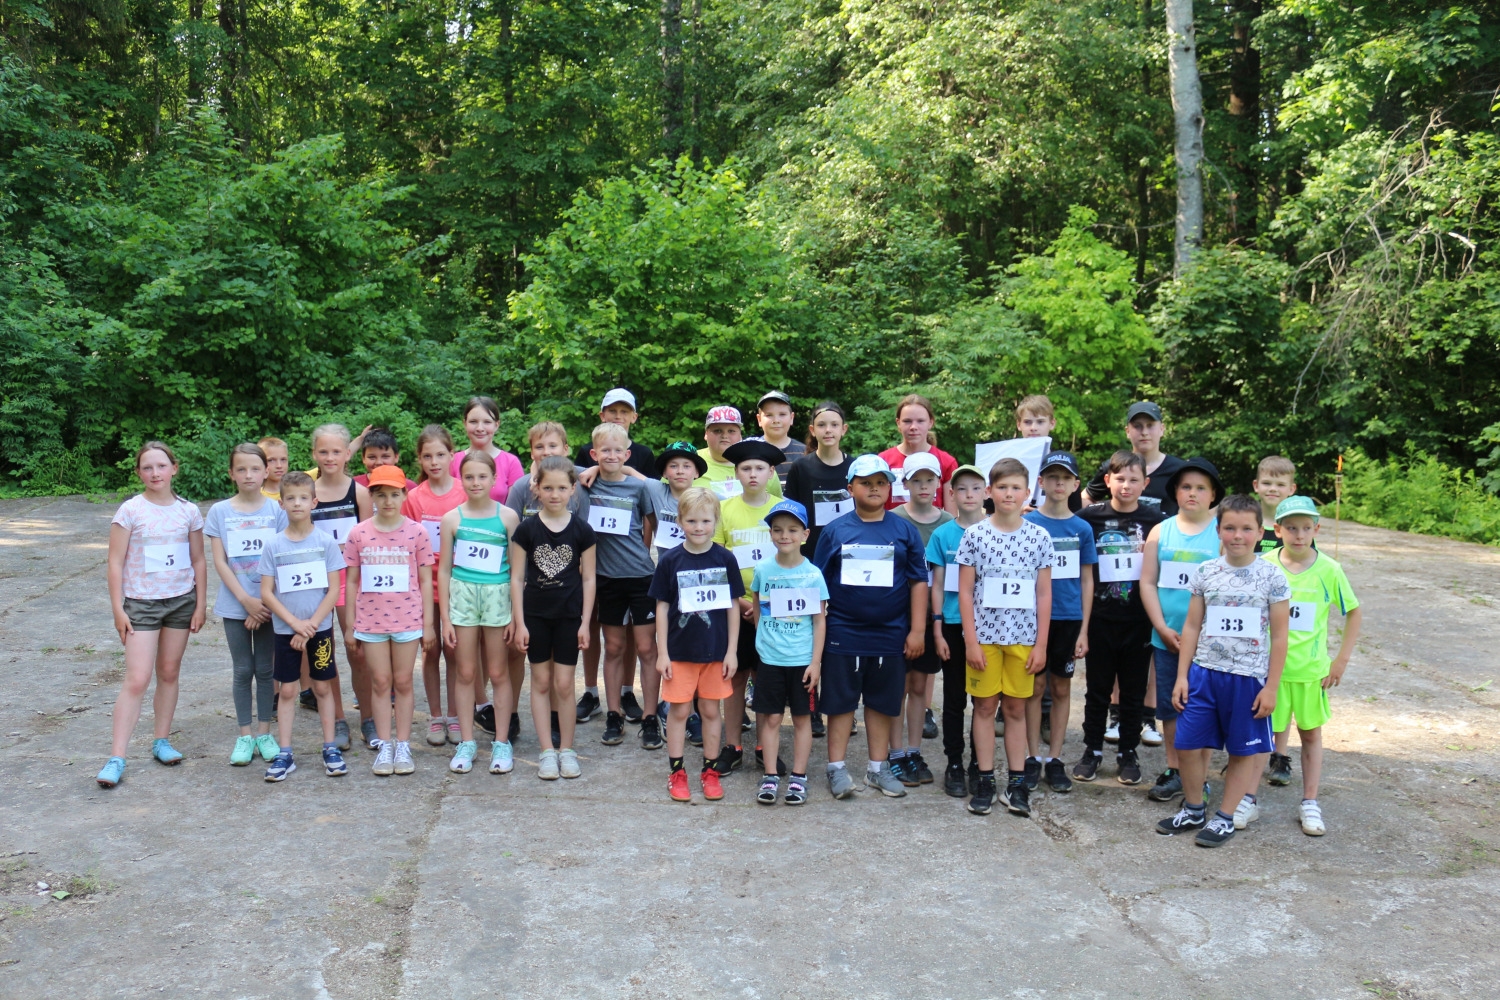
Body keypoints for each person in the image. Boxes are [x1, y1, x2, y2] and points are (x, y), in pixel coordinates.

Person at [1157, 494, 1291, 848]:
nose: (1237, 535)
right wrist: (1183, 675)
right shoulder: (1207, 572)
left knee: (1242, 751)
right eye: (1229, 527)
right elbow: (1191, 627)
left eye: (1247, 529)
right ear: (1218, 531)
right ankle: (1194, 808)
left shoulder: (1272, 577)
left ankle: (1225, 817)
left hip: (1248, 680)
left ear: (1260, 533)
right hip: (1204, 674)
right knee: (1187, 744)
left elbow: (1279, 637)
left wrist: (1271, 687)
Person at [812, 454, 929, 800]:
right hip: (842, 634)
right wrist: (819, 631)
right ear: (850, 488)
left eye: (880, 482)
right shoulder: (835, 530)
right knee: (840, 703)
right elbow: (818, 585)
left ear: (890, 487)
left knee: (881, 703)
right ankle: (837, 768)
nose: (874, 488)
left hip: (891, 634)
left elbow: (918, 582)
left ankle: (878, 769)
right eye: (865, 482)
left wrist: (917, 630)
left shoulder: (904, 530)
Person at [96, 443, 207, 788]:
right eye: (147, 468)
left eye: (161, 466)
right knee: (138, 678)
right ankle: (117, 757)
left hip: (180, 601)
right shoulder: (130, 511)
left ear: (175, 468)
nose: (155, 473)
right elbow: (115, 562)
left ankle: (162, 740)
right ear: (138, 473)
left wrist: (200, 604)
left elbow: (199, 560)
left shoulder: (189, 512)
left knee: (169, 672)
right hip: (141, 604)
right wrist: (118, 610)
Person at [957, 458, 1055, 817]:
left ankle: (1016, 782)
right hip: (984, 639)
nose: (1009, 494)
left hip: (1024, 639)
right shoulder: (975, 535)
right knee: (984, 707)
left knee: (1015, 708)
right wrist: (970, 640)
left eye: (1016, 487)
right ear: (989, 492)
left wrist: (1041, 643)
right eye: (1002, 487)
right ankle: (985, 779)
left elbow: (1044, 594)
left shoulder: (1039, 537)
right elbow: (965, 592)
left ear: (1028, 492)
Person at [1263, 496, 1362, 836]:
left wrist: (1340, 660)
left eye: (1306, 528)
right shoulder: (1263, 564)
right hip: (1268, 673)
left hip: (1310, 673)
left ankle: (1309, 802)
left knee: (1310, 736)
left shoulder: (1329, 570)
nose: (1299, 535)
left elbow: (1353, 611)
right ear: (1277, 530)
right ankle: (1246, 797)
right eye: (1291, 528)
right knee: (1257, 736)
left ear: (1317, 529)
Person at [1072, 450, 1164, 785]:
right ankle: (1092, 749)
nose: (1126, 485)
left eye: (1134, 480)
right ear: (1108, 480)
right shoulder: (1088, 518)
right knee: (1097, 689)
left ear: (1145, 483)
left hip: (1139, 620)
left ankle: (1128, 751)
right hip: (1099, 617)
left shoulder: (1156, 521)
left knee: (1133, 691)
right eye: (1120, 478)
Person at [650, 487, 743, 802]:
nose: (699, 527)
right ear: (680, 521)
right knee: (679, 712)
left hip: (716, 653)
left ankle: (710, 770)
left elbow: (732, 606)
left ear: (716, 520)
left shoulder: (725, 558)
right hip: (679, 653)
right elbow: (661, 607)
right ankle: (677, 772)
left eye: (705, 520)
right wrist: (662, 653)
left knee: (710, 710)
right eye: (691, 520)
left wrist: (731, 651)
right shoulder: (671, 560)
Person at [343, 465, 437, 777]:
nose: (387, 501)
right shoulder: (359, 533)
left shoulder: (417, 532)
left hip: (408, 620)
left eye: (394, 495)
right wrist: (350, 624)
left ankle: (403, 743)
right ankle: (385, 745)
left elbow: (426, 581)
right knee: (380, 683)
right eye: (380, 495)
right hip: (370, 622)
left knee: (404, 681)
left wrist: (427, 624)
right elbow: (352, 581)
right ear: (371, 496)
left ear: (404, 495)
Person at [1139, 457, 1222, 803]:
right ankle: (1175, 768)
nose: (1192, 493)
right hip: (1167, 637)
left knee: (1201, 707)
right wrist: (1160, 626)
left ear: (1213, 494)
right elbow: (1147, 582)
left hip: (1208, 642)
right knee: (1170, 708)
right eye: (1186, 486)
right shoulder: (1161, 531)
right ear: (1175, 491)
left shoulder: (1221, 532)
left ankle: (1199, 776)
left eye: (1201, 488)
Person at [511, 456, 598, 780]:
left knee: (564, 684)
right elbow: (517, 578)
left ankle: (568, 750)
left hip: (568, 617)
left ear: (573, 489)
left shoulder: (582, 530)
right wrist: (519, 622)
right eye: (548, 487)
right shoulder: (527, 529)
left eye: (562, 488)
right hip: (535, 615)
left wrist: (585, 622)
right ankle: (547, 750)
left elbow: (589, 578)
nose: (555, 494)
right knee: (542, 681)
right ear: (536, 488)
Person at [257, 471, 347, 780]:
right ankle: (285, 753)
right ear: (281, 504)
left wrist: (310, 625)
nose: (297, 504)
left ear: (314, 502)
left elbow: (334, 589)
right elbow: (266, 592)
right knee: (287, 691)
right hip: (286, 632)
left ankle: (330, 746)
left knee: (322, 686)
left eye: (303, 498)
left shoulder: (325, 542)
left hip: (319, 630)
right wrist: (295, 624)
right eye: (291, 498)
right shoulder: (273, 545)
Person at [437, 450, 521, 775]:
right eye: (469, 477)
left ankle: (502, 741)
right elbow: (444, 570)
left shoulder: (508, 518)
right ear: (461, 478)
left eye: (482, 476)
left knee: (498, 673)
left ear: (494, 478)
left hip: (498, 597)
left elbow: (516, 571)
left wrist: (515, 613)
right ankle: (467, 742)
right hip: (463, 597)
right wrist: (445, 617)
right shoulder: (452, 519)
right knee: (465, 672)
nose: (475, 482)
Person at [204, 443, 287, 766]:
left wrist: (262, 603)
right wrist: (245, 601)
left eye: (255, 468)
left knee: (265, 670)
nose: (248, 475)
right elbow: (220, 562)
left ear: (266, 471)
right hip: (235, 605)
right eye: (241, 469)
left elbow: (281, 558)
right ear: (231, 474)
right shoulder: (219, 512)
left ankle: (265, 733)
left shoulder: (276, 512)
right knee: (242, 670)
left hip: (269, 605)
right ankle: (244, 735)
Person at [1021, 451, 1096, 795]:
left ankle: (1054, 759)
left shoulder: (1081, 528)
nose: (1058, 483)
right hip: (1033, 618)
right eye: (1052, 477)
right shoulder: (1029, 524)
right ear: (1041, 483)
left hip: (1068, 618)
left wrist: (1083, 630)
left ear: (1076, 484)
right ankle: (1031, 756)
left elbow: (1086, 580)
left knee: (1062, 687)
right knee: (1034, 688)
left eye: (1065, 478)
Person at [507, 420, 586, 745]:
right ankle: (519, 723)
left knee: (563, 680)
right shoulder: (520, 494)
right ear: (536, 488)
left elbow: (584, 558)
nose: (546, 451)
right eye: (539, 446)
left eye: (552, 445)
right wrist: (518, 615)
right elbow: (510, 535)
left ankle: (561, 732)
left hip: (567, 602)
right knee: (537, 674)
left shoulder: (578, 490)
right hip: (532, 600)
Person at [583, 421, 661, 748]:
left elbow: (651, 522)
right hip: (607, 579)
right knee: (613, 647)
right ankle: (613, 713)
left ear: (627, 454)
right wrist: (585, 471)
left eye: (618, 450)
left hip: (641, 576)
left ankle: (651, 717)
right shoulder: (586, 485)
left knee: (645, 648)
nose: (612, 456)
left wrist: (642, 551)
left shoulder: (638, 488)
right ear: (594, 454)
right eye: (605, 451)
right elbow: (553, 469)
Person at [711, 439, 785, 774]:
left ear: (771, 472)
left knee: (768, 677)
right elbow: (715, 560)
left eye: (759, 468)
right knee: (735, 676)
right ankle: (733, 744)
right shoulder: (725, 510)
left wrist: (764, 604)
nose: (752, 474)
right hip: (735, 608)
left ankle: (764, 745)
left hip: (775, 608)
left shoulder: (784, 509)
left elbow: (793, 561)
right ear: (736, 472)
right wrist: (741, 601)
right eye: (745, 468)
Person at [748, 499, 827, 805]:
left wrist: (816, 662)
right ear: (770, 534)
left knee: (803, 719)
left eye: (792, 530)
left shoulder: (813, 575)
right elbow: (757, 606)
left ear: (805, 534)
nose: (785, 535)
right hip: (770, 660)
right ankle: (770, 775)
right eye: (778, 530)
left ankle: (798, 776)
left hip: (802, 662)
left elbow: (819, 621)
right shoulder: (763, 570)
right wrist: (761, 639)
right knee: (769, 719)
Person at [888, 452, 953, 786]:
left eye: (930, 479)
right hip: (898, 616)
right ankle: (894, 751)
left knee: (919, 686)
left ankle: (913, 750)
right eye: (917, 480)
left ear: (939, 483)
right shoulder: (895, 519)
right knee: (896, 686)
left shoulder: (947, 523)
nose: (924, 486)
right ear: (906, 483)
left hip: (931, 617)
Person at [308, 423, 373, 751]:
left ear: (348, 454)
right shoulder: (309, 493)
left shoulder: (359, 493)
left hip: (351, 582)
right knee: (324, 654)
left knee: (357, 652)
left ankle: (369, 718)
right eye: (323, 451)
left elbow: (369, 540)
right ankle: (337, 720)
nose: (330, 457)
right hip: (316, 584)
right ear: (314, 454)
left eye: (336, 451)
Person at [927, 463, 988, 797]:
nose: (968, 495)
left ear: (986, 492)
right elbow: (937, 584)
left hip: (988, 629)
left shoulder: (995, 531)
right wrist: (937, 627)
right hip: (951, 625)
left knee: (983, 700)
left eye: (975, 488)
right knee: (953, 700)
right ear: (951, 494)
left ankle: (980, 764)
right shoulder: (943, 535)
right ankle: (954, 762)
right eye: (961, 489)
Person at [403, 425, 466, 747]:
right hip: (425, 586)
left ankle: (455, 716)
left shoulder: (463, 491)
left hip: (459, 583)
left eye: (440, 454)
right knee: (431, 650)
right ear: (420, 459)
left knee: (454, 650)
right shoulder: (414, 498)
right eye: (427, 456)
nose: (434, 461)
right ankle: (436, 716)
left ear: (452, 455)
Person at [1083, 401, 1186, 515]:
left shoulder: (1180, 470)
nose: (1144, 432)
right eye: (1137, 426)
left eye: (1150, 425)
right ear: (1127, 431)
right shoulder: (1114, 467)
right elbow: (1086, 497)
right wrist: (1099, 520)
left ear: (1161, 429)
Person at [784, 401, 853, 559]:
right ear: (812, 430)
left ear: (844, 429)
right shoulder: (800, 468)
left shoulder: (854, 468)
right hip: (810, 553)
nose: (828, 430)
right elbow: (791, 515)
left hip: (848, 551)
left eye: (834, 425)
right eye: (821, 425)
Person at [879, 394, 958, 512]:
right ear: (898, 423)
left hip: (932, 530)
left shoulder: (946, 462)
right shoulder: (883, 461)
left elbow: (951, 517)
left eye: (920, 421)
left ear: (930, 422)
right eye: (907, 421)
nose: (913, 427)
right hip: (894, 529)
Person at [695, 405, 784, 501]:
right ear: (706, 434)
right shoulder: (692, 461)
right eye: (717, 431)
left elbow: (777, 505)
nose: (725, 435)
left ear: (740, 435)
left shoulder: (762, 464)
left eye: (731, 431)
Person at [450, 395, 527, 504]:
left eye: (487, 422)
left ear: (496, 425)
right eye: (473, 422)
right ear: (465, 424)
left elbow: (516, 507)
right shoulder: (453, 461)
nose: (480, 428)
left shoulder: (511, 463)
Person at [574, 387, 656, 476]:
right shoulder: (587, 451)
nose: (618, 416)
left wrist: (628, 471)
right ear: (602, 416)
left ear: (634, 417)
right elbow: (575, 482)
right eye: (612, 411)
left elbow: (653, 487)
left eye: (624, 412)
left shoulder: (644, 454)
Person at [750, 391, 806, 482]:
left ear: (791, 418)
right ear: (759, 419)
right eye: (769, 415)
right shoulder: (750, 452)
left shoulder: (805, 453)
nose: (776, 420)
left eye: (782, 414)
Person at [1253, 456, 1298, 553]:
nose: (1273, 489)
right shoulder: (1246, 522)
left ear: (1291, 489)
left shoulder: (1298, 527)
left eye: (1280, 485)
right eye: (1267, 483)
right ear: (1256, 486)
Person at [352, 427, 417, 490]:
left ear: (396, 457)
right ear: (363, 458)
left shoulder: (410, 487)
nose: (379, 462)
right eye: (372, 457)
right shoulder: (353, 486)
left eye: (385, 456)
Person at [258, 437, 289, 501]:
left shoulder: (297, 491)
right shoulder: (256, 496)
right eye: (271, 460)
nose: (279, 466)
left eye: (283, 459)